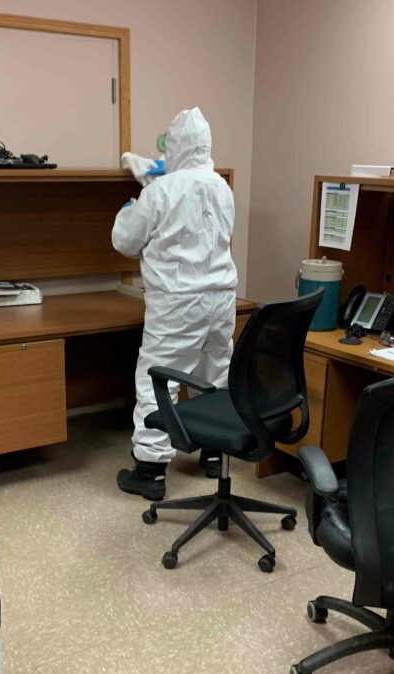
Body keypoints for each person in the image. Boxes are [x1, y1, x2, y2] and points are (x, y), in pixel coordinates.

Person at [111, 107, 237, 500]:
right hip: (221, 298)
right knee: (214, 370)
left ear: (177, 145)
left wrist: (132, 206)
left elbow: (124, 241)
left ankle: (149, 469)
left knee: (159, 376)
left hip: (178, 302)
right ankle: (216, 453)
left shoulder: (159, 192)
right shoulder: (221, 187)